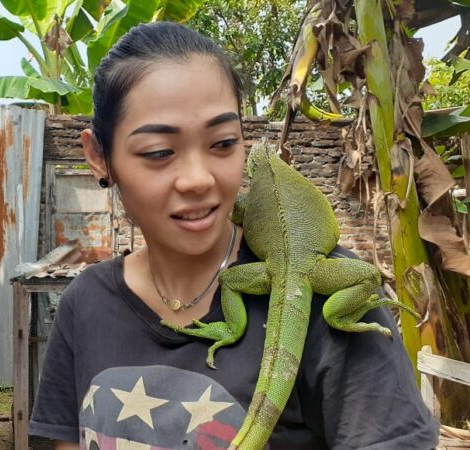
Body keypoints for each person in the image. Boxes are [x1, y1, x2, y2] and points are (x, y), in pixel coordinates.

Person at [28, 21, 439, 450]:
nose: (198, 179)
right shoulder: (85, 301)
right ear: (99, 157)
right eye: (159, 152)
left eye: (223, 143)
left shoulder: (333, 314)